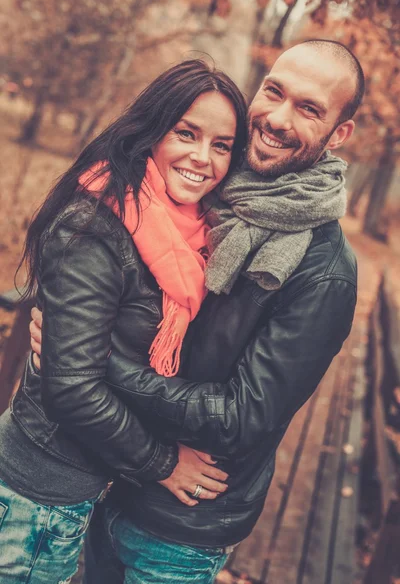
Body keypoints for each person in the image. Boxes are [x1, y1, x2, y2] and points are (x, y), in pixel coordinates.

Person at [31, 39, 363, 584]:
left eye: (309, 109)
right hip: (114, 478)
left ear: (339, 133)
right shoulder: (210, 190)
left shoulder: (323, 270)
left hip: (179, 528)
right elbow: (115, 271)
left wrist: (90, 362)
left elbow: (240, 419)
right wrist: (71, 323)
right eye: (274, 91)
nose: (278, 118)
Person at [0, 60, 248, 583]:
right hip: (37, 499)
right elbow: (71, 388)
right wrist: (164, 462)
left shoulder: (191, 238)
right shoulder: (98, 226)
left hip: (75, 493)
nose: (203, 158)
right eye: (186, 133)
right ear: (152, 130)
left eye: (222, 145)